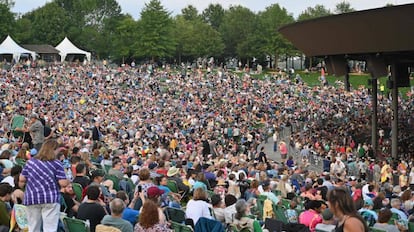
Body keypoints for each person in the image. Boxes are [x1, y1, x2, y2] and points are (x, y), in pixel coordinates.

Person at [19, 139, 69, 232]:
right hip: (50, 198)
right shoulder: (56, 163)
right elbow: (63, 183)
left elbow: (22, 179)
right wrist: (68, 180)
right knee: (50, 228)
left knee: (33, 227)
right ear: (54, 150)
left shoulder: (30, 162)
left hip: (32, 197)